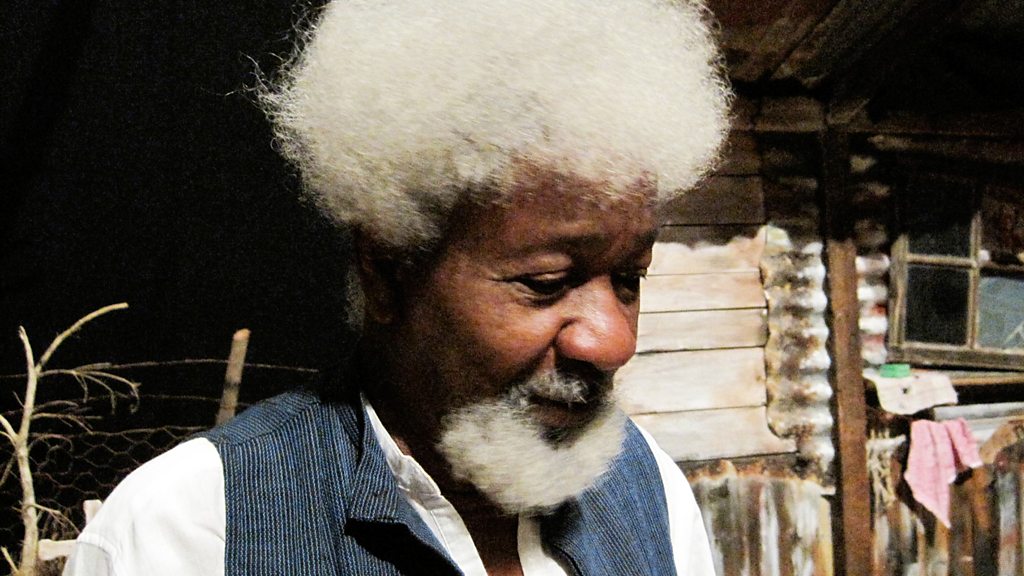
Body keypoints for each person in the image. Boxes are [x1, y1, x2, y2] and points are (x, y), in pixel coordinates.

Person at [64, 0, 731, 574]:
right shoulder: (193, 530)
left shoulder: (651, 494)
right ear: (386, 272)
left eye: (629, 278)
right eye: (546, 283)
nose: (613, 342)